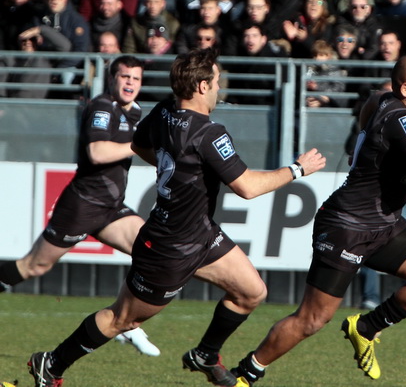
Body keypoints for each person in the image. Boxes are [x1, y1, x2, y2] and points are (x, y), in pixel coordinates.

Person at [28, 49, 327, 387]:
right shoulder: (209, 132)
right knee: (121, 319)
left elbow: (140, 145)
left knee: (250, 292)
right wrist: (297, 169)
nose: (218, 88)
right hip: (168, 247)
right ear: (201, 86)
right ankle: (50, 364)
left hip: (199, 233)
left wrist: (176, 169)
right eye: (215, 82)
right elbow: (247, 187)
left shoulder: (164, 111)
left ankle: (205, 354)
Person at [227, 55, 406, 386]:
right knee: (312, 319)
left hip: (383, 224)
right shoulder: (403, 120)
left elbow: (372, 101)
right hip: (345, 228)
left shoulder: (385, 100)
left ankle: (365, 328)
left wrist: (365, 140)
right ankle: (245, 374)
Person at [0, 56, 160, 356]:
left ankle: (127, 324)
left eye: (136, 79)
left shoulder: (136, 112)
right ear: (112, 79)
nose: (130, 83)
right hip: (82, 205)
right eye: (124, 77)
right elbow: (97, 152)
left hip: (111, 208)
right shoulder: (102, 107)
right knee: (34, 265)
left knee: (152, 251)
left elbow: (144, 149)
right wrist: (140, 146)